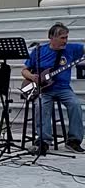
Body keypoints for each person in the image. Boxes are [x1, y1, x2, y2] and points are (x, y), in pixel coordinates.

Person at [22, 22, 85, 154]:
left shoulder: (71, 49)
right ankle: (44, 141)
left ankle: (74, 141)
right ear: (52, 37)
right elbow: (24, 70)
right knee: (40, 106)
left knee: (75, 105)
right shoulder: (39, 51)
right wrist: (33, 77)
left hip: (63, 88)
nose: (65, 41)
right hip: (44, 90)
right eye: (62, 38)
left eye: (66, 37)